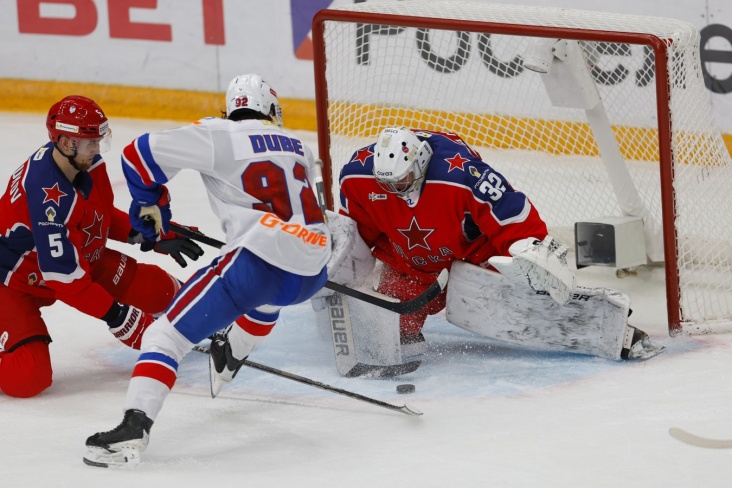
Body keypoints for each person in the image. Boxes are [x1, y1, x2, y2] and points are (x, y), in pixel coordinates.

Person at [83, 74, 330, 467]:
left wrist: (152, 206)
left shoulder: (220, 133)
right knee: (268, 297)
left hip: (259, 264)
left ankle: (134, 428)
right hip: (314, 268)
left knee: (164, 335)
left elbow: (138, 154)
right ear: (272, 110)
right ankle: (234, 353)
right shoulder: (299, 145)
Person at [314, 127, 663, 376]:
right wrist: (338, 263)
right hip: (412, 263)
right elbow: (359, 234)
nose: (395, 189)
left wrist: (528, 247)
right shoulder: (357, 177)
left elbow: (511, 209)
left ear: (419, 162)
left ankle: (614, 333)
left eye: (402, 180)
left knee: (525, 300)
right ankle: (404, 320)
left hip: (474, 252)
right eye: (387, 183)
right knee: (384, 330)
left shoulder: (461, 173)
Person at [0, 96, 204, 398]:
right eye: (90, 143)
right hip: (13, 281)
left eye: (99, 140)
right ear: (66, 143)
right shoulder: (47, 200)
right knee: (29, 375)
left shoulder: (85, 164)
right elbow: (65, 279)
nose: (97, 149)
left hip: (69, 256)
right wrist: (117, 317)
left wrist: (149, 234)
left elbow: (100, 217)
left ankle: (207, 306)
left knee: (158, 290)